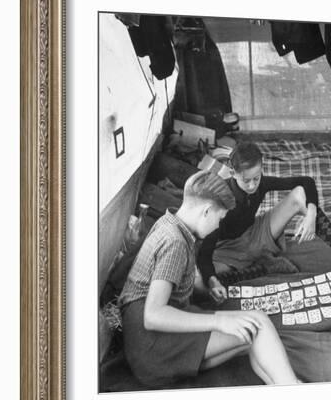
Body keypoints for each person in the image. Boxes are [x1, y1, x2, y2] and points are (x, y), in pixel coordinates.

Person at [118, 170, 299, 387]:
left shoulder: (169, 223)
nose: (218, 226)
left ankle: (288, 386)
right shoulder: (175, 242)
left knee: (248, 336)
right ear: (206, 211)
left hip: (142, 352)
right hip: (152, 343)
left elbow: (173, 278)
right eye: (219, 218)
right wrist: (219, 321)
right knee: (258, 322)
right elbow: (153, 315)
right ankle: (295, 392)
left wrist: (207, 286)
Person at [197, 142, 319, 304]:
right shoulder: (221, 198)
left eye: (257, 178)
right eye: (246, 181)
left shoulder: (261, 184)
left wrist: (311, 214)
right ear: (233, 173)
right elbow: (204, 254)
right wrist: (212, 281)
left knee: (300, 195)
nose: (253, 185)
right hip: (226, 250)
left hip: (256, 234)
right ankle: (260, 267)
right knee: (198, 284)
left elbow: (306, 181)